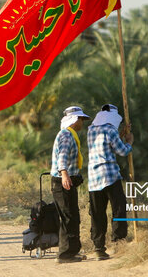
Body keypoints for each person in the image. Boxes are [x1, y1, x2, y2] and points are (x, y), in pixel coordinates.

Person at [87, 104, 134, 261]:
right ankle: (118, 242)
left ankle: (98, 247)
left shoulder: (91, 129)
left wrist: (120, 135)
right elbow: (122, 151)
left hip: (94, 178)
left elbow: (104, 147)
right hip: (110, 175)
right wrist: (129, 142)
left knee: (97, 214)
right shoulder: (110, 130)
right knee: (119, 209)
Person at [50, 106, 90, 264]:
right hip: (63, 181)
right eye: (81, 119)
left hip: (66, 180)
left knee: (72, 216)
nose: (82, 122)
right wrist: (65, 174)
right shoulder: (67, 135)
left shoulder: (70, 134)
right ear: (74, 120)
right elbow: (63, 156)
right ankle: (65, 254)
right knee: (68, 217)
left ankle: (72, 252)